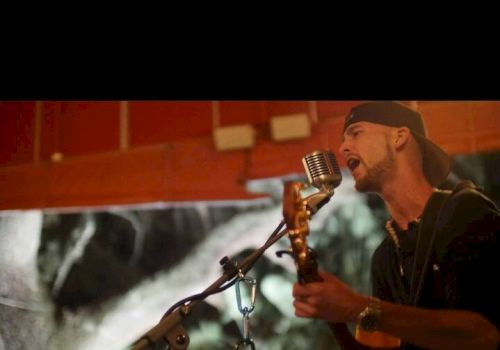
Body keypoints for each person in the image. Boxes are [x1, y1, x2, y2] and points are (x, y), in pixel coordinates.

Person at [292, 101, 500, 350]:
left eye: (356, 133)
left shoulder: (465, 212)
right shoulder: (385, 257)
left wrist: (357, 306)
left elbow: (484, 335)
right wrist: (334, 317)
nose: (343, 147)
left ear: (399, 137)